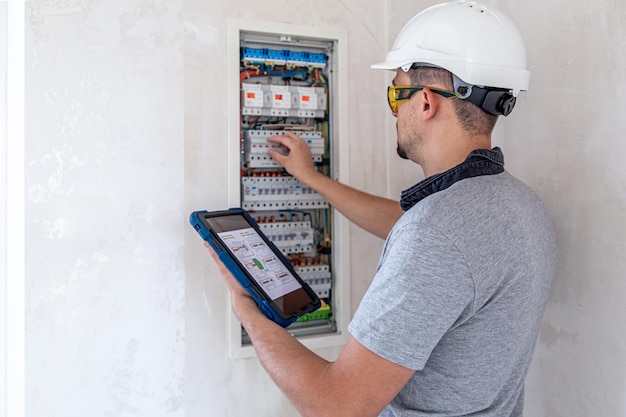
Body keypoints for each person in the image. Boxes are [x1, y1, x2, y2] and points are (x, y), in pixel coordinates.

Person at [206, 1, 557, 416]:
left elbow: (335, 406)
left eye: (395, 93)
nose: (393, 110)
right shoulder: (519, 205)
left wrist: (247, 304)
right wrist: (313, 178)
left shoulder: (436, 234)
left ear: (425, 102)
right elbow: (420, 232)